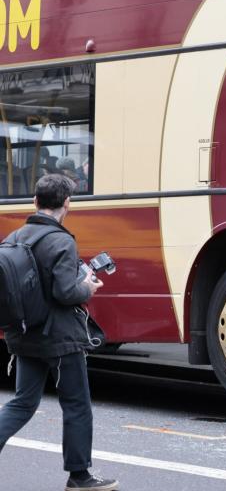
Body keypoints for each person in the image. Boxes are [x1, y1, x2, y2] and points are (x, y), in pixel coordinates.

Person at [0, 174, 118, 491]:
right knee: (77, 405)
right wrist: (88, 287)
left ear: (36, 202)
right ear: (67, 203)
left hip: (24, 335)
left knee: (23, 402)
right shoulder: (61, 240)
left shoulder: (15, 237)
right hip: (61, 340)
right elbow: (66, 292)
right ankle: (79, 477)